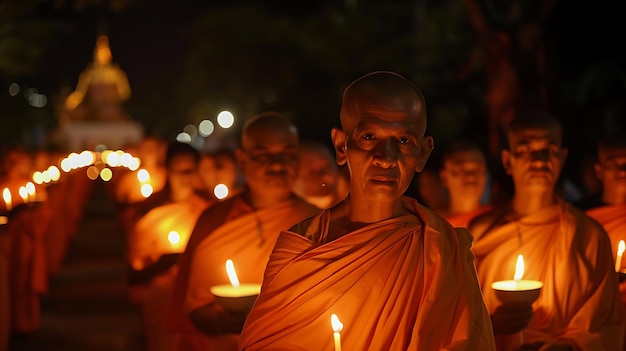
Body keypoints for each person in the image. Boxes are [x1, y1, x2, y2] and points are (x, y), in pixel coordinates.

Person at [240, 71, 495, 350]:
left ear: (422, 153)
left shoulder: (443, 249)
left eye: (403, 141)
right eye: (369, 136)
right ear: (341, 145)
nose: (385, 158)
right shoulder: (303, 248)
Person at [161, 112, 320, 351]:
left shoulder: (319, 221)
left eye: (287, 155)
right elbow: (193, 306)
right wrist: (223, 322)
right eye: (263, 155)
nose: (277, 165)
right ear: (242, 159)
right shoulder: (214, 219)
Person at [468, 112, 624, 351]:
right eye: (526, 149)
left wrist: (564, 348)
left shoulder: (589, 236)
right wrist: (492, 324)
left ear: (562, 158)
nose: (539, 160)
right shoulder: (479, 235)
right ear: (509, 161)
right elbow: (453, 321)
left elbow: (607, 327)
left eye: (549, 150)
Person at [126, 141, 210, 351]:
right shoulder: (151, 212)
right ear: (167, 171)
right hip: (162, 298)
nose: (184, 177)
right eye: (178, 171)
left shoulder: (208, 210)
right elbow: (133, 274)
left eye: (190, 171)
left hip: (197, 297)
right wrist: (166, 262)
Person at [585, 132, 626, 350]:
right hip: (598, 315)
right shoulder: (583, 216)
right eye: (613, 163)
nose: (622, 170)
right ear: (599, 171)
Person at [437, 140, 491, 228]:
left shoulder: (498, 222)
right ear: (444, 178)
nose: (470, 177)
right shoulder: (431, 226)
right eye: (460, 170)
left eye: (478, 170)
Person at [292, 140, 347, 209]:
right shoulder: (292, 215)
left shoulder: (356, 186)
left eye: (328, 166)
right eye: (314, 172)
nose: (326, 176)